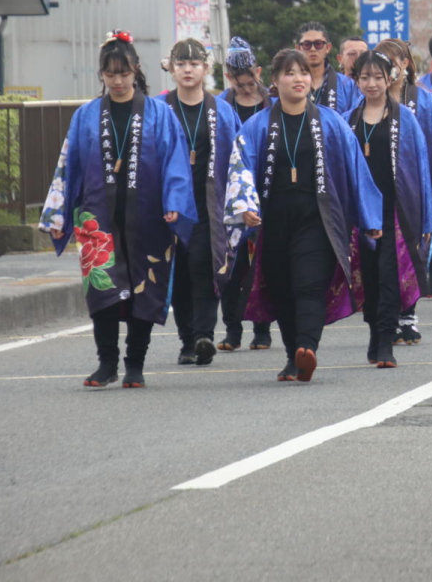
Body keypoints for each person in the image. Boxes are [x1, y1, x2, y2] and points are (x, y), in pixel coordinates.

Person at [38, 31, 197, 388]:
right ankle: (106, 363)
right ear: (102, 75)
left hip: (150, 217)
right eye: (111, 74)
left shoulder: (159, 113)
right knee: (102, 291)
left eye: (124, 73)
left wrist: (174, 203)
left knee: (145, 288)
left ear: (135, 70)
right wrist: (58, 214)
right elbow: (69, 165)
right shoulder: (86, 115)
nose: (119, 81)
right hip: (98, 219)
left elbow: (175, 162)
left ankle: (135, 364)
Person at [224, 49, 383, 383]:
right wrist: (246, 207)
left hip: (319, 219)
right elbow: (240, 169)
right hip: (274, 221)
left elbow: (356, 170)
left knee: (309, 285)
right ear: (274, 80)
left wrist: (370, 219)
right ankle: (291, 356)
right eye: (289, 73)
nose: (298, 79)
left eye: (304, 73)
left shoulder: (331, 122)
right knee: (282, 289)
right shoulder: (256, 126)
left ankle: (308, 348)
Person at [346, 51, 432, 368]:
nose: (371, 83)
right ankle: (375, 335)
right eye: (365, 77)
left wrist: (426, 217)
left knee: (389, 276)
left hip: (396, 213)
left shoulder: (406, 119)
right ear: (357, 80)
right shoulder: (348, 120)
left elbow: (420, 171)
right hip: (361, 215)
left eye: (378, 77)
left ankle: (386, 342)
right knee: (369, 280)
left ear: (390, 79)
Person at [160, 38, 240, 366]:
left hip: (210, 202)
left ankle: (204, 334)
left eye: (194, 64)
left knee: (205, 267)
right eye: (181, 64)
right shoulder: (158, 108)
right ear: (171, 68)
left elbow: (238, 159)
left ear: (207, 69)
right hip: (171, 205)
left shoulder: (222, 110)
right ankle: (186, 340)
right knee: (178, 272)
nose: (188, 69)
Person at [374, 38, 432, 339]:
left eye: (394, 60)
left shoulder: (425, 101)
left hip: (417, 189)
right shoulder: (370, 102)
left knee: (414, 252)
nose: (390, 66)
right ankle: (390, 314)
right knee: (384, 254)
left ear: (406, 63)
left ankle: (408, 313)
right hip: (381, 190)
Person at [217, 37, 273, 351]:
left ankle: (262, 329)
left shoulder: (273, 105)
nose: (246, 88)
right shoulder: (221, 107)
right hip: (231, 197)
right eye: (239, 83)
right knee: (231, 268)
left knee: (261, 265)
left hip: (266, 193)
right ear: (229, 78)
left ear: (259, 72)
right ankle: (232, 329)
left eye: (251, 81)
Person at [296, 21, 361, 114]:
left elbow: (355, 118)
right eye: (307, 44)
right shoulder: (290, 83)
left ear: (328, 48)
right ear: (298, 48)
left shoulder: (347, 85)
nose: (313, 49)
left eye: (318, 44)